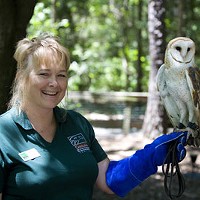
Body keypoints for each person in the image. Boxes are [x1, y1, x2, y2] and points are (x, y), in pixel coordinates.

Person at [0, 33, 188, 200]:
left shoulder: (76, 123)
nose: (54, 83)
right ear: (21, 77)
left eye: (61, 75)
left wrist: (150, 156)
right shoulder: (4, 133)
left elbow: (107, 180)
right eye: (44, 74)